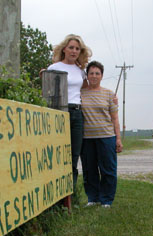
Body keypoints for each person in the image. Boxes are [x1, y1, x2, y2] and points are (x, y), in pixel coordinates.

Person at [46, 34, 92, 189]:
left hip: (77, 113)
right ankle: (55, 189)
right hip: (59, 112)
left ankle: (69, 191)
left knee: (74, 154)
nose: (74, 51)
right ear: (64, 49)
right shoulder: (54, 68)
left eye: (77, 49)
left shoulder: (80, 71)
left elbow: (87, 90)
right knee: (58, 152)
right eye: (71, 47)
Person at [80, 61, 123, 208]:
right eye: (91, 73)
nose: (94, 76)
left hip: (107, 137)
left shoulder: (110, 94)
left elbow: (115, 118)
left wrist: (118, 138)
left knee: (108, 170)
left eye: (97, 73)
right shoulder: (80, 93)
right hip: (86, 139)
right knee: (89, 170)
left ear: (102, 76)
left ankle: (106, 200)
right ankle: (93, 198)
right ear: (87, 75)